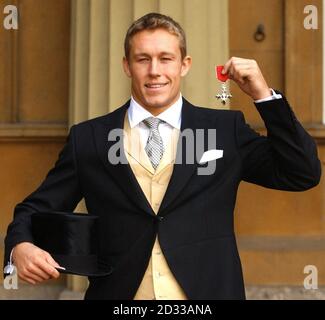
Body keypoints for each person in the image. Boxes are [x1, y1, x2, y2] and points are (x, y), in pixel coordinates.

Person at [4, 12, 321, 300]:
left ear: (184, 65)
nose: (155, 71)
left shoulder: (225, 129)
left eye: (165, 58)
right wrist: (21, 245)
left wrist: (264, 96)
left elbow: (302, 172)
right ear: (127, 65)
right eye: (143, 59)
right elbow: (34, 209)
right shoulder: (89, 138)